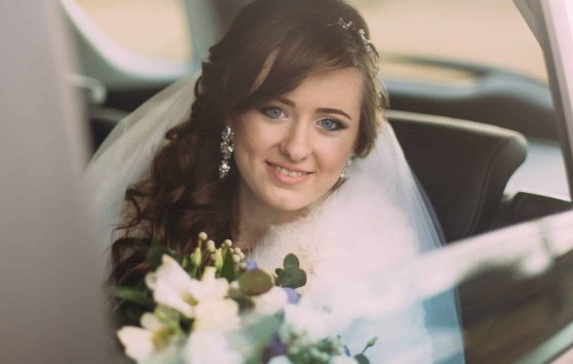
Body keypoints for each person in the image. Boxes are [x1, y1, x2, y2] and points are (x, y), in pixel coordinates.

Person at [86, 0, 463, 362]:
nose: (297, 148)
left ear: (356, 141)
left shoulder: (374, 267)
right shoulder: (161, 204)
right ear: (232, 112)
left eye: (329, 124)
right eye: (275, 111)